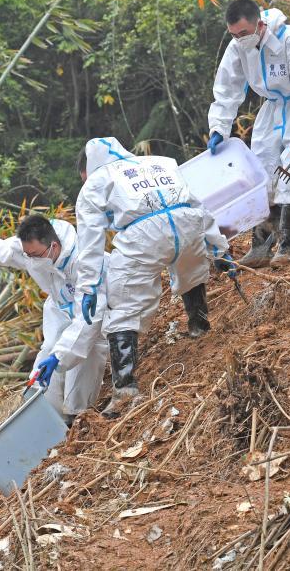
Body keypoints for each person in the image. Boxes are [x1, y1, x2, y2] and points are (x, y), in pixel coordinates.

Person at [74, 137, 230, 417]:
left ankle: (124, 389)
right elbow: (197, 204)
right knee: (191, 270)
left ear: (88, 170)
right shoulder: (161, 163)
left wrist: (88, 286)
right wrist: (218, 247)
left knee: (122, 304)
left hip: (142, 235)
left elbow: (89, 240)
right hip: (188, 223)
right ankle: (200, 326)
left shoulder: (96, 182)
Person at [206, 0, 290, 268]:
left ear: (260, 25)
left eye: (243, 34)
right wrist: (219, 127)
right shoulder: (238, 47)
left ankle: (286, 245)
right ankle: (260, 246)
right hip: (271, 112)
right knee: (262, 176)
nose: (239, 40)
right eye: (233, 35)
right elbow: (227, 89)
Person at [0, 214, 109, 422]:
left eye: (36, 255)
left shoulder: (84, 260)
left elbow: (87, 320)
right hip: (59, 307)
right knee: (47, 357)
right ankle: (48, 416)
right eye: (28, 254)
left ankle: (78, 416)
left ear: (54, 247)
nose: (31, 259)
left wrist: (61, 356)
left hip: (91, 309)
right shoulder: (32, 250)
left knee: (84, 360)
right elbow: (6, 250)